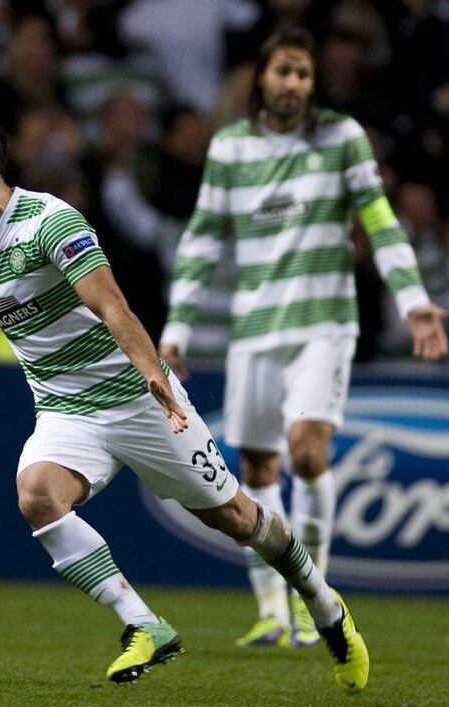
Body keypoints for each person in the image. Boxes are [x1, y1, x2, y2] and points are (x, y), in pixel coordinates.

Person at [0, 108, 369, 691]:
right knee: (37, 496)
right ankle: (143, 622)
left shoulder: (47, 221)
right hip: (65, 411)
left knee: (237, 518)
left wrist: (151, 371)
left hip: (139, 399)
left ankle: (325, 605)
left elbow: (113, 306)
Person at [158, 28, 448, 649]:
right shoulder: (232, 148)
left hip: (324, 324)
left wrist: (415, 301)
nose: (293, 84)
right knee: (258, 465)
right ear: (262, 77)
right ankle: (271, 611)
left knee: (308, 452)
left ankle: (314, 596)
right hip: (255, 329)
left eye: (303, 75)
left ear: (312, 85)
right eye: (284, 71)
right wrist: (176, 330)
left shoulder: (340, 138)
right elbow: (204, 239)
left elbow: (378, 217)